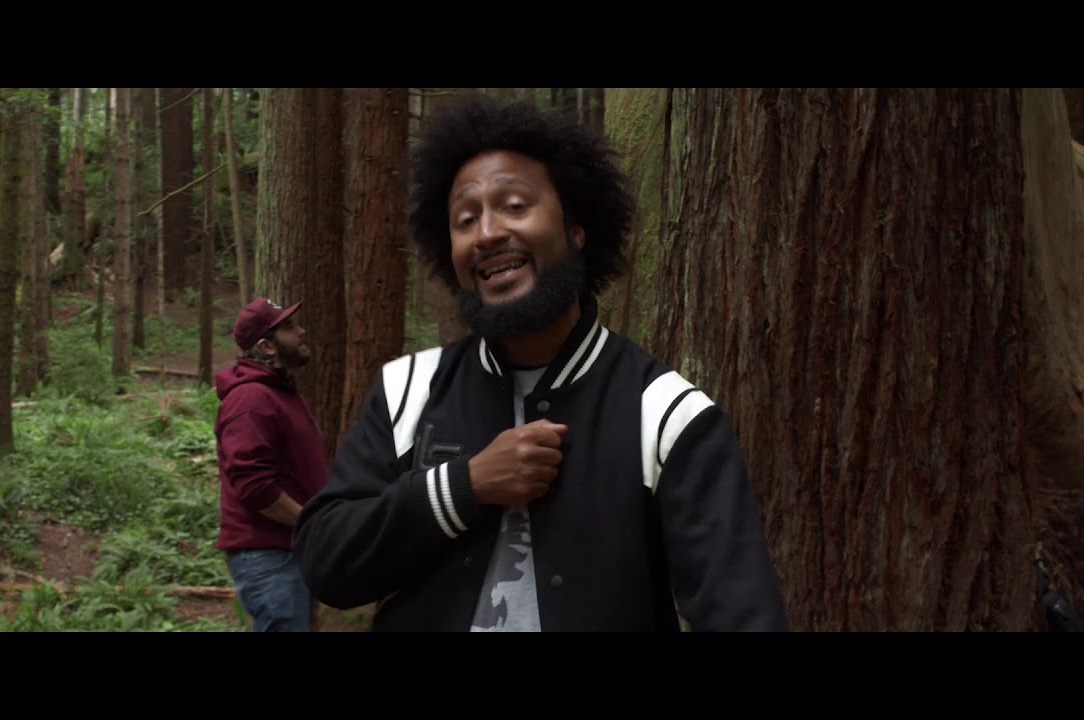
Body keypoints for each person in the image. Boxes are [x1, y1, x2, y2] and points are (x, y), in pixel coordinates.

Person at [293, 95, 788, 632]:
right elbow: (326, 561)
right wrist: (462, 487)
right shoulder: (407, 390)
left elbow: (743, 614)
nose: (487, 233)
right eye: (466, 219)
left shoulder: (666, 415)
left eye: (514, 205)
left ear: (575, 227)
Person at [214, 297, 326, 632]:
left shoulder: (280, 393)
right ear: (266, 346)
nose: (301, 331)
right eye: (289, 327)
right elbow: (254, 485)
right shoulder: (251, 399)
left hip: (288, 551)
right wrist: (310, 522)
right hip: (268, 557)